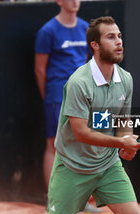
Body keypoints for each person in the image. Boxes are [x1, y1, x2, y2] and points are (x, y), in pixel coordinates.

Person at [45, 16, 140, 214]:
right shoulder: (79, 83)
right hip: (73, 166)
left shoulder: (125, 79)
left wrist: (126, 145)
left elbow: (122, 120)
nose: (119, 41)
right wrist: (120, 141)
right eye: (111, 37)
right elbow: (80, 133)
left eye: (119, 36)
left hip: (108, 166)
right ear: (95, 46)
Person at [34, 0, 90, 188]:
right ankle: (54, 201)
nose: (75, 2)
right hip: (57, 95)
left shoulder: (85, 28)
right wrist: (49, 96)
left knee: (81, 145)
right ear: (59, 1)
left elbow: (87, 63)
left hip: (82, 96)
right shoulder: (48, 31)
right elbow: (40, 70)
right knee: (55, 145)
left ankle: (79, 200)